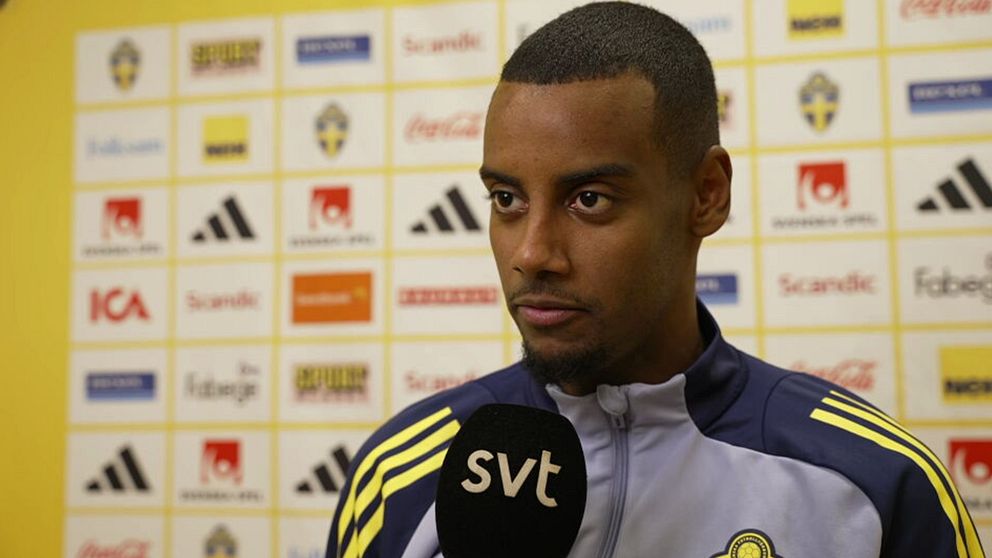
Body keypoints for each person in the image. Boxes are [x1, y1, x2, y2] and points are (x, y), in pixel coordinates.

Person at [325, 3, 984, 557]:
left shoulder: (875, 484)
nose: (532, 253)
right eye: (507, 199)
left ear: (706, 194)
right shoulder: (400, 479)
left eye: (588, 199)